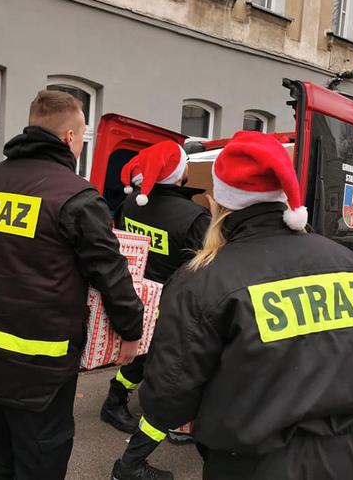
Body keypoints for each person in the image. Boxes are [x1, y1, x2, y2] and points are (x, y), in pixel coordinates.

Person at [131, 131, 353, 480]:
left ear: (220, 201)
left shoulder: (204, 280)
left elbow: (166, 399)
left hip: (253, 465)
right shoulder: (348, 263)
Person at [0, 89, 144, 480]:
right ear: (71, 137)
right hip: (38, 370)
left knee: (0, 455)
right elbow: (110, 271)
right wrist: (132, 330)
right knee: (42, 461)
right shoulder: (75, 195)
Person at [103, 140, 211, 479]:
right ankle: (140, 439)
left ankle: (115, 399)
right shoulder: (196, 216)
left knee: (143, 356)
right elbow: (203, 267)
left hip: (139, 294)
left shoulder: (130, 203)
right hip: (173, 303)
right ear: (180, 174)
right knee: (165, 369)